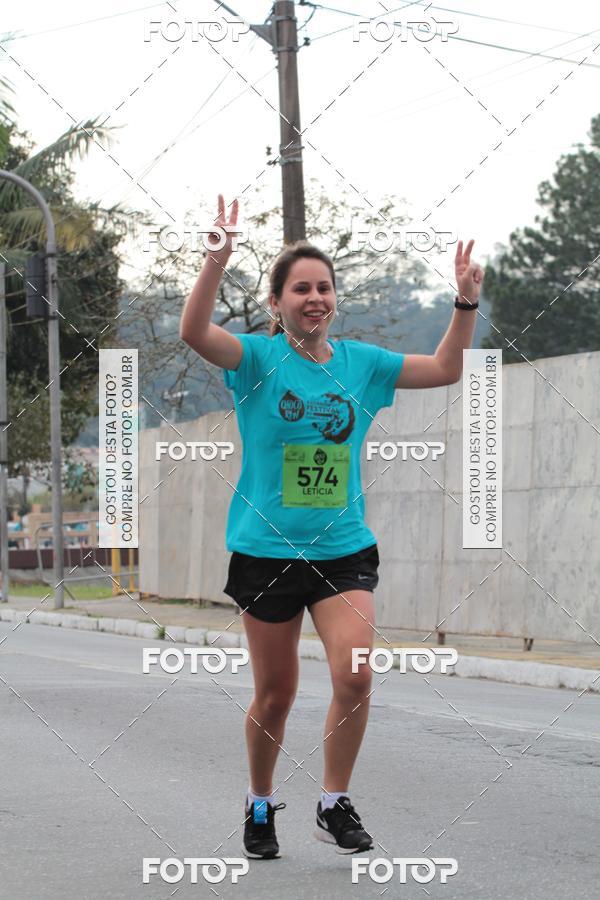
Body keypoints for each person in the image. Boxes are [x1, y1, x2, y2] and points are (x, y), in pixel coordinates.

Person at [179, 194, 484, 860]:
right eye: (300, 288)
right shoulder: (256, 361)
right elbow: (196, 334)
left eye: (323, 287)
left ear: (334, 299)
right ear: (277, 302)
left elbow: (447, 368)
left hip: (343, 550)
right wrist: (214, 261)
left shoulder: (362, 364)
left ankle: (332, 801)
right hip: (263, 553)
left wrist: (463, 305)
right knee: (276, 692)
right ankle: (260, 803)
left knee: (355, 675)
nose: (314, 297)